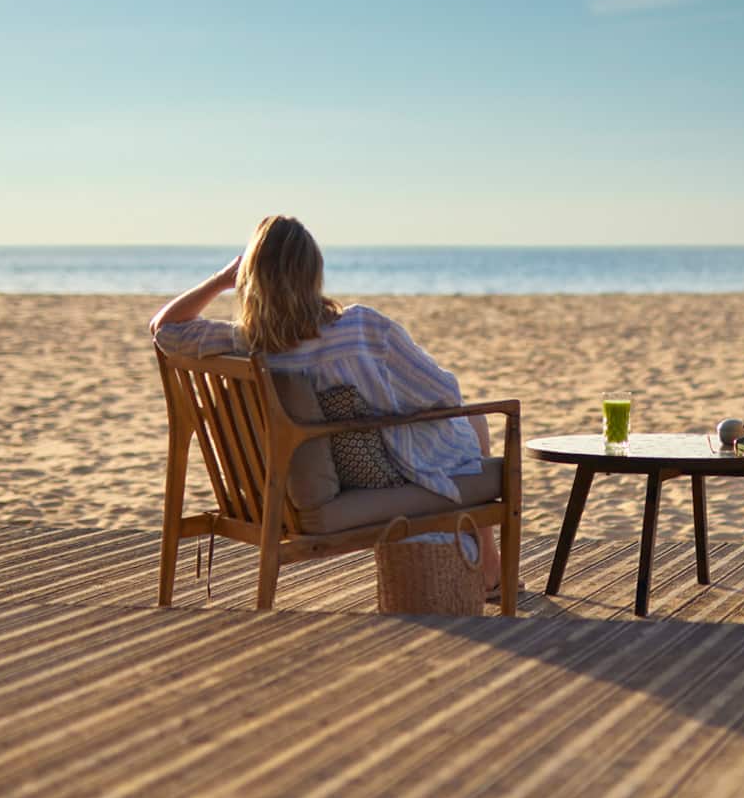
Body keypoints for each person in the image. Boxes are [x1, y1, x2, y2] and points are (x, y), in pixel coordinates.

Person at [148, 215, 506, 594]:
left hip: (281, 490)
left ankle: (487, 568)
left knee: (466, 424)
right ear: (313, 274)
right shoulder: (360, 329)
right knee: (476, 421)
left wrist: (222, 279)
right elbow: (443, 392)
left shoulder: (244, 342)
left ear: (249, 279)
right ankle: (490, 566)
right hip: (372, 475)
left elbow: (164, 328)